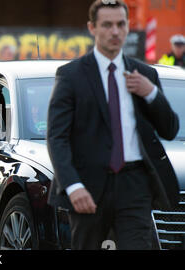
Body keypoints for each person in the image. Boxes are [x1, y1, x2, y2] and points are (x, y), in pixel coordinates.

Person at [47, 0, 180, 250]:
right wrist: (73, 185)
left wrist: (151, 93)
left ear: (128, 27)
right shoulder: (71, 75)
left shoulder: (144, 75)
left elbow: (170, 129)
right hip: (87, 185)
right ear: (92, 28)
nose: (115, 31)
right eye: (107, 25)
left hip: (134, 185)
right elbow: (57, 137)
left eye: (121, 24)